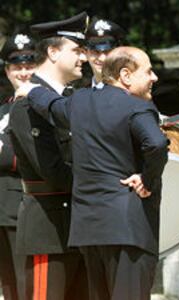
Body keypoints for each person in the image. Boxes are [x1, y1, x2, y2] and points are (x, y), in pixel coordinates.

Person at [19, 46, 168, 300]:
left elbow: (51, 105)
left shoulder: (79, 101)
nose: (154, 77)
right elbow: (156, 143)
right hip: (128, 229)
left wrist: (30, 90)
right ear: (126, 75)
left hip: (88, 230)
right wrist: (147, 178)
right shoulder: (138, 107)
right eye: (148, 71)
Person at [8, 12, 89, 300]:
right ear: (53, 52)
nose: (85, 57)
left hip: (79, 227)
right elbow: (53, 170)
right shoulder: (28, 105)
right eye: (77, 50)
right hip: (49, 230)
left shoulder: (71, 99)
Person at [0, 32, 37, 300]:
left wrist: (4, 154)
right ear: (7, 70)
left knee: (26, 287)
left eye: (28, 65)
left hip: (22, 211)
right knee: (9, 287)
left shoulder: (42, 104)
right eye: (17, 67)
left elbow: (38, 159)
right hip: (1, 211)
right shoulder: (4, 109)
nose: (23, 72)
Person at [84, 18, 125, 88]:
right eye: (96, 51)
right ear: (86, 53)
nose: (102, 58)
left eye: (107, 52)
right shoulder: (81, 96)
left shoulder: (131, 94)